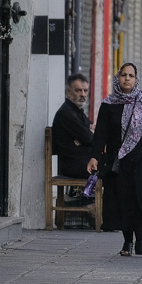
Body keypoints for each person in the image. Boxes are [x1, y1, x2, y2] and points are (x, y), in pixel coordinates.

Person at [88, 63, 142, 256]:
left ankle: (141, 241)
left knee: (141, 198)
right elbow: (101, 134)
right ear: (118, 78)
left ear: (136, 78)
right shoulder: (109, 104)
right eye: (123, 75)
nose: (127, 79)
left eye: (131, 75)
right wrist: (94, 156)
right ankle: (127, 243)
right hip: (119, 162)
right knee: (123, 200)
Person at [52, 74, 95, 206]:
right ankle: (87, 201)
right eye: (78, 90)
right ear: (68, 92)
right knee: (109, 169)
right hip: (72, 165)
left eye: (85, 90)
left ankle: (89, 199)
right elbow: (90, 138)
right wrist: (87, 135)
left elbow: (91, 132)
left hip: (82, 161)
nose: (82, 94)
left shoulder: (77, 111)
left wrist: (86, 136)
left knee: (114, 165)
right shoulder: (67, 113)